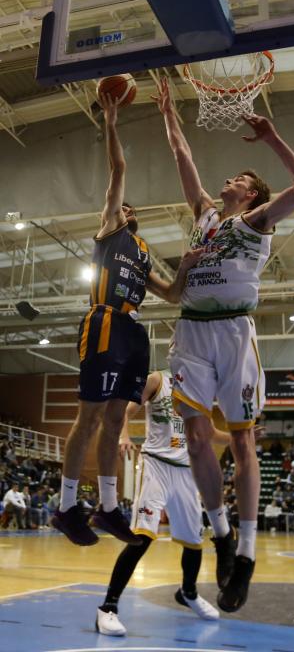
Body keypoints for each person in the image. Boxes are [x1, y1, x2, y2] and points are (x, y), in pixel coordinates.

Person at [154, 77, 294, 612]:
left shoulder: (257, 221)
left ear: (250, 193)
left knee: (242, 444)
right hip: (192, 331)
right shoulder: (204, 214)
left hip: (234, 333)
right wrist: (168, 109)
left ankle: (245, 553)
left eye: (239, 178)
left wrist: (270, 137)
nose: (228, 178)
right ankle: (221, 534)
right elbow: (181, 152)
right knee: (197, 438)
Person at [51, 94, 201, 549]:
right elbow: (117, 172)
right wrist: (112, 122)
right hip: (104, 322)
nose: (127, 211)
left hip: (134, 332)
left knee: (117, 421)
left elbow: (172, 294)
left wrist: (188, 264)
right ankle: (65, 506)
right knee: (91, 415)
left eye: (131, 210)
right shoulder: (109, 232)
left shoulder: (140, 253)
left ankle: (110, 507)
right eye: (123, 208)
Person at [96, 370, 225, 636]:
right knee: (141, 536)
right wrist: (124, 437)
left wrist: (242, 438)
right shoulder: (158, 380)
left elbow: (210, 432)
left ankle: (188, 592)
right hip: (156, 465)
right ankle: (107, 607)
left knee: (193, 540)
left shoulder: (199, 390)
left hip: (186, 470)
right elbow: (125, 412)